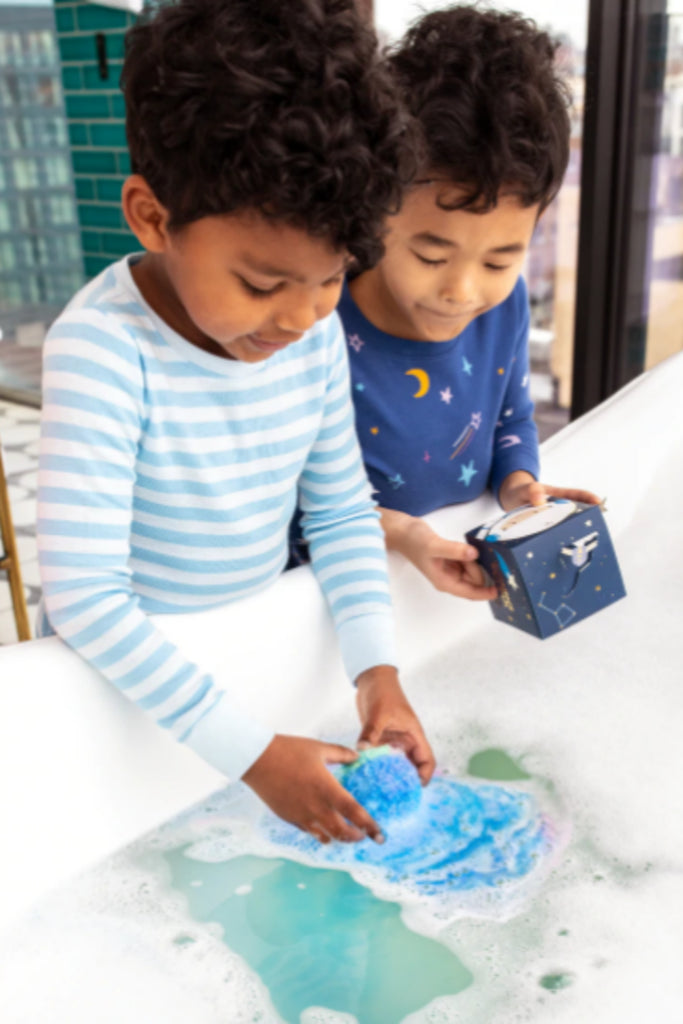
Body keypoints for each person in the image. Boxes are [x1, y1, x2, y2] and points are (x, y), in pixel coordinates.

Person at [35, 0, 434, 845]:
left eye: (330, 278)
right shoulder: (102, 350)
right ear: (153, 217)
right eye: (260, 284)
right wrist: (253, 756)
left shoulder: (311, 333)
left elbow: (338, 513)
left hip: (242, 670)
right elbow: (86, 600)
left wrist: (377, 673)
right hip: (124, 701)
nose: (300, 316)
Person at [337, 5, 600, 600]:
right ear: (375, 210)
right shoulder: (315, 321)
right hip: (352, 592)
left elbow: (511, 419)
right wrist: (401, 534)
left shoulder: (503, 308)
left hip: (448, 587)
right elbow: (289, 498)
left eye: (499, 262)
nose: (462, 292)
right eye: (431, 256)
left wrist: (520, 487)